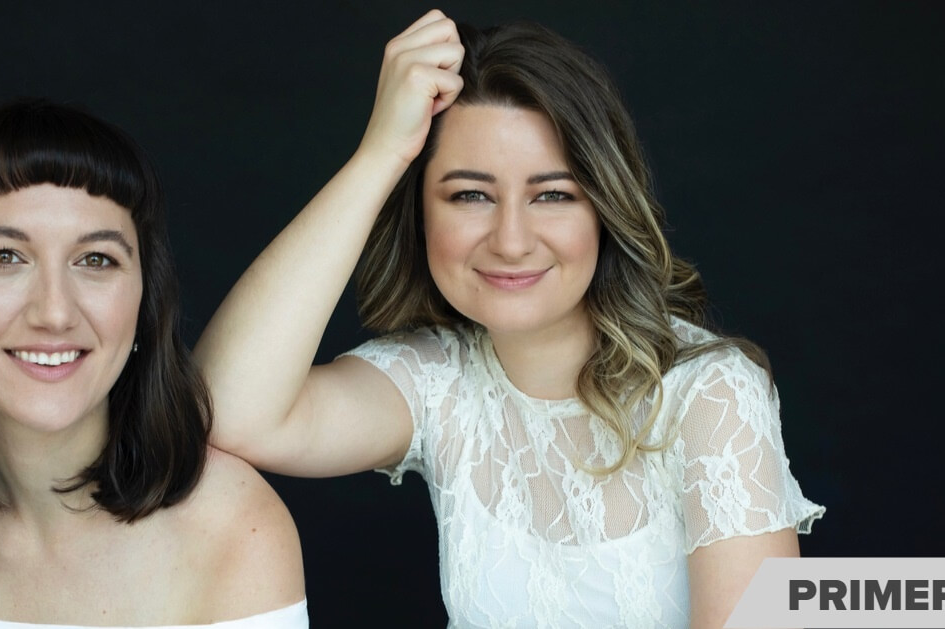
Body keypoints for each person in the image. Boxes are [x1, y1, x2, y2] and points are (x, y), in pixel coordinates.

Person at [195, 11, 823, 628]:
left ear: (604, 210)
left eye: (553, 194)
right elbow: (228, 410)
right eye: (471, 195)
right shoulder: (438, 381)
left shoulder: (710, 394)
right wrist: (379, 154)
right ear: (421, 213)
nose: (512, 241)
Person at [0, 99, 307, 628]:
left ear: (143, 303)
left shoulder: (234, 530)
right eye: (3, 256)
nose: (54, 313)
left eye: (96, 259)